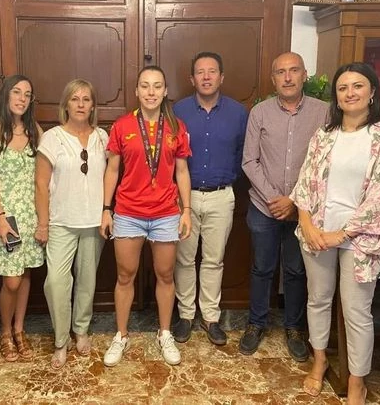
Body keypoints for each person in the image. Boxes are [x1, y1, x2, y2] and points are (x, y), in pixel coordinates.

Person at [290, 62, 380, 404]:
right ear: (336, 97)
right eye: (343, 88)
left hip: (361, 239)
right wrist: (308, 224)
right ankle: (320, 361)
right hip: (317, 234)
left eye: (357, 86)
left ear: (371, 92)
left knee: (356, 312)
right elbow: (304, 183)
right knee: (318, 299)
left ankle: (356, 381)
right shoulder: (324, 136)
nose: (350, 93)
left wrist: (341, 235)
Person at [100, 66, 192, 367]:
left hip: (166, 213)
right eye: (145, 86)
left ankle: (165, 333)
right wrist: (106, 209)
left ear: (165, 91)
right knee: (125, 275)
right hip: (128, 212)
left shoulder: (176, 127)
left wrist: (186, 210)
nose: (151, 92)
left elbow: (182, 171)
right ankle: (121, 335)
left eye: (157, 86)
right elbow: (112, 169)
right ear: (137, 91)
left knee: (165, 274)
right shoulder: (122, 125)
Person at [241, 52, 329, 361]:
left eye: (293, 71)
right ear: (273, 79)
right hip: (264, 207)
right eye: (281, 72)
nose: (288, 77)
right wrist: (274, 198)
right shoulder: (260, 113)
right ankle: (256, 324)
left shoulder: (324, 113)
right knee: (262, 268)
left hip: (303, 210)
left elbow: (324, 163)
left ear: (305, 75)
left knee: (296, 270)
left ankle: (294, 328)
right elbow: (249, 161)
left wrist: (294, 200)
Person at [172, 52, 248, 346]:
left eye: (212, 71)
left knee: (214, 260)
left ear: (221, 77)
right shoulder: (178, 111)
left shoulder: (238, 113)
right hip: (184, 198)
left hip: (221, 195)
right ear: (191, 79)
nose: (206, 77)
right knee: (184, 259)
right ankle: (185, 315)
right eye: (200, 72)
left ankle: (211, 317)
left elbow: (243, 152)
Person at [35, 79, 108, 369]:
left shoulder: (102, 137)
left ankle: (81, 330)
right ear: (66, 104)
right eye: (75, 99)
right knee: (56, 282)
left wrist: (108, 211)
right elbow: (41, 184)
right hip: (60, 221)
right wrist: (43, 224)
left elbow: (112, 175)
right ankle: (60, 339)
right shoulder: (52, 138)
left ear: (93, 106)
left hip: (93, 221)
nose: (80, 104)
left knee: (87, 281)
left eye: (86, 99)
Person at [0, 74, 44, 362]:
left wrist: (44, 219)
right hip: (7, 216)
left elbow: (42, 178)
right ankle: (5, 332)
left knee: (26, 272)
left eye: (27, 95)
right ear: (6, 94)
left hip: (31, 215)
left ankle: (19, 330)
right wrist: (0, 216)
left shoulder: (35, 130)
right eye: (17, 92)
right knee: (12, 280)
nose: (22, 99)